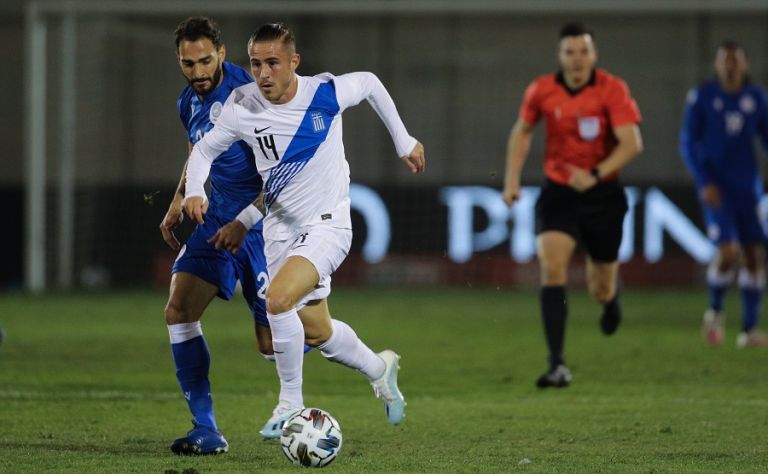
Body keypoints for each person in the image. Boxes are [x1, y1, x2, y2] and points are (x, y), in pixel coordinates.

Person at [183, 23, 425, 438]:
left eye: (273, 63)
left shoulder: (323, 95)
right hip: (280, 232)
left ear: (294, 62)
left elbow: (369, 83)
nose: (263, 73)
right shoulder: (241, 107)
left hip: (328, 225)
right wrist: (194, 191)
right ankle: (379, 368)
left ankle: (290, 404)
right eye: (256, 64)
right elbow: (204, 150)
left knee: (277, 300)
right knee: (317, 330)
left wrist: (404, 141)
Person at [502, 22, 643, 388]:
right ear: (560, 56)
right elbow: (522, 131)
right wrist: (512, 179)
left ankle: (610, 300)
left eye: (584, 51)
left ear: (594, 55)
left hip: (603, 194)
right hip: (560, 192)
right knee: (552, 265)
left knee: (600, 287)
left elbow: (632, 143)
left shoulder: (612, 89)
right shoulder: (542, 90)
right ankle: (557, 365)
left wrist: (595, 174)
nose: (577, 59)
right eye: (570, 52)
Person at [161, 16, 273, 455]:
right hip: (216, 218)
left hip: (264, 223)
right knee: (179, 310)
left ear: (222, 53)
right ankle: (206, 429)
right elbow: (199, 147)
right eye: (188, 64)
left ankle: (355, 351)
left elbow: (283, 166)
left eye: (206, 61)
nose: (198, 72)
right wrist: (181, 196)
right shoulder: (187, 102)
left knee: (272, 344)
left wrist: (250, 218)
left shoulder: (253, 96)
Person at [680, 40, 768, 348]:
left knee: (754, 256)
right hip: (718, 188)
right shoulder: (702, 97)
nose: (730, 66)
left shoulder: (757, 98)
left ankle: (749, 331)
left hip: (748, 188)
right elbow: (688, 143)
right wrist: (704, 181)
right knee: (728, 252)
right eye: (725, 61)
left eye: (735, 61)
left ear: (744, 65)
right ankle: (715, 312)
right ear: (717, 65)